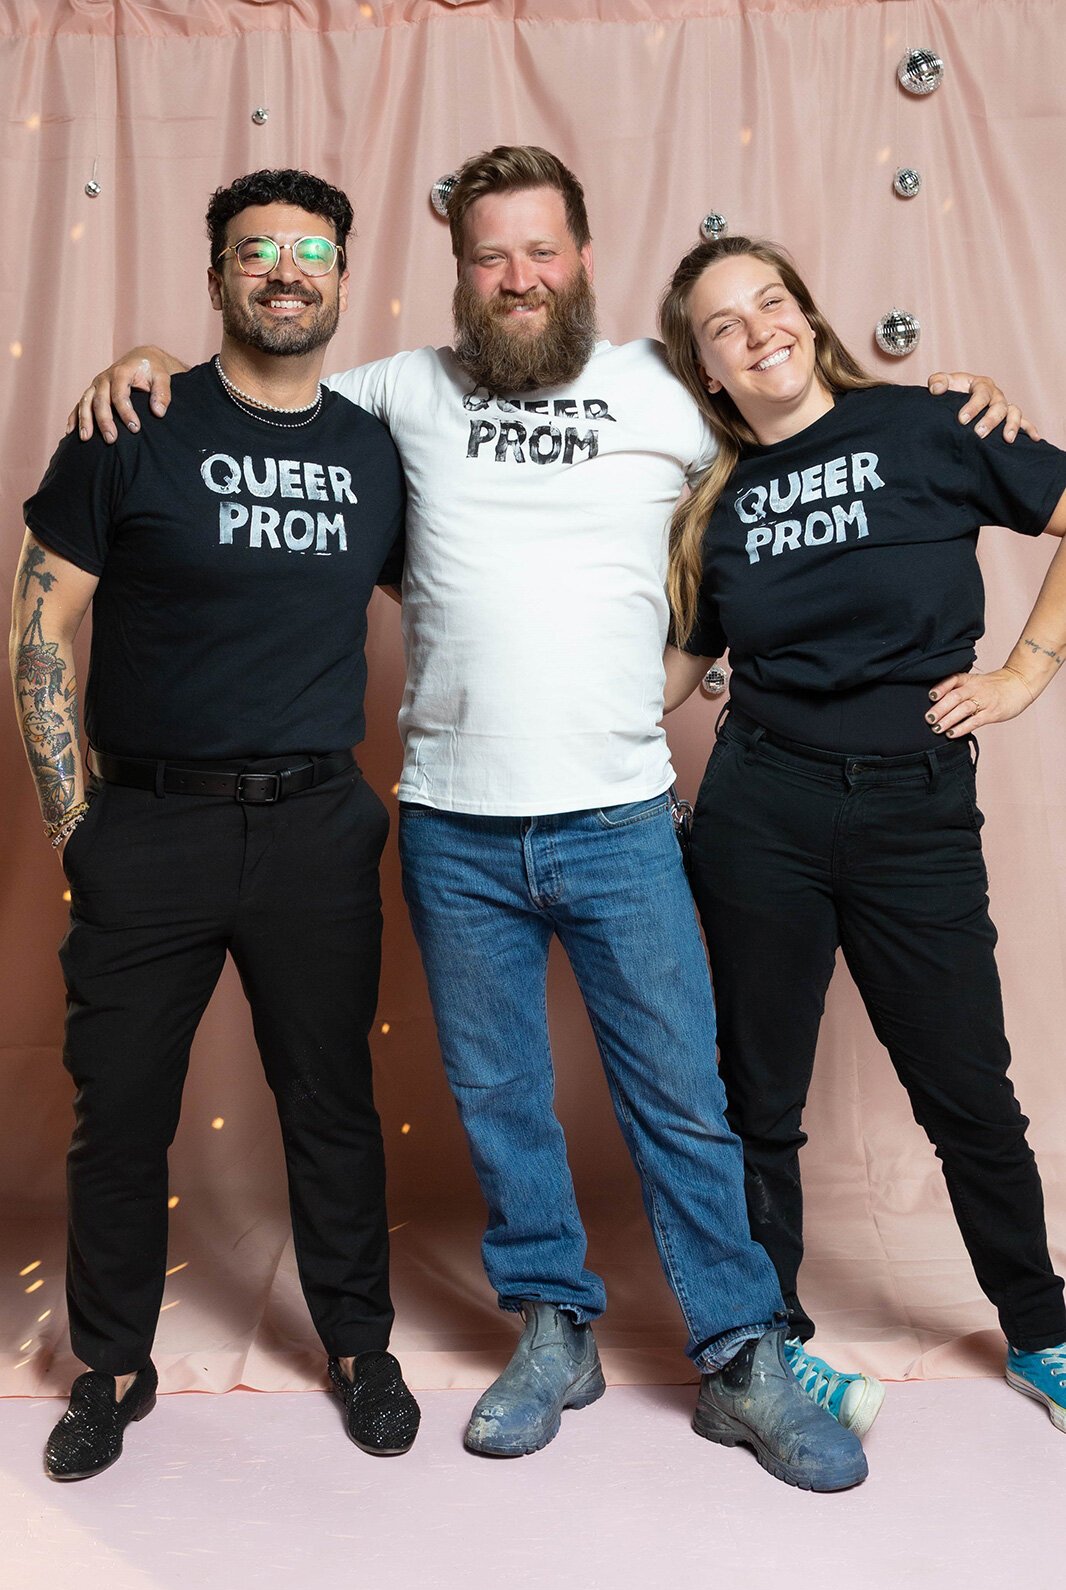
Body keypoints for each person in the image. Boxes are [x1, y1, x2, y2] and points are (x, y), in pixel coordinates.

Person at [72, 146, 1020, 1487]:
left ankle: (739, 1352)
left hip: (623, 818)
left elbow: (800, 417)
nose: (516, 277)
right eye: (488, 256)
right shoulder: (398, 391)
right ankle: (551, 1325)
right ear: (459, 274)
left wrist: (936, 400)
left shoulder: (660, 387)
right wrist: (138, 361)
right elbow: (251, 388)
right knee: (501, 1099)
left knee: (685, 1103)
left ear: (582, 255)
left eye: (541, 250)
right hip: (453, 829)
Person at [10, 168, 422, 1481]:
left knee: (333, 1105)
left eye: (311, 251)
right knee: (120, 1112)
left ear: (342, 280)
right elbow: (39, 626)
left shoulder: (375, 450)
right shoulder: (130, 423)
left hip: (315, 826)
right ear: (218, 279)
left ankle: (360, 1346)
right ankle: (112, 1366)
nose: (286, 270)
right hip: (149, 825)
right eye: (258, 252)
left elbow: (466, 600)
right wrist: (80, 824)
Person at [657, 233, 1066, 1437]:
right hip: (759, 812)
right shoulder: (711, 504)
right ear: (707, 370)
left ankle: (1042, 1330)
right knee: (757, 1100)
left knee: (968, 1091)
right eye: (722, 326)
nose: (756, 330)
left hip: (913, 811)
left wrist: (1024, 671)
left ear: (806, 312)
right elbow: (672, 674)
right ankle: (769, 1347)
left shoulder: (929, 426)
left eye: (769, 302)